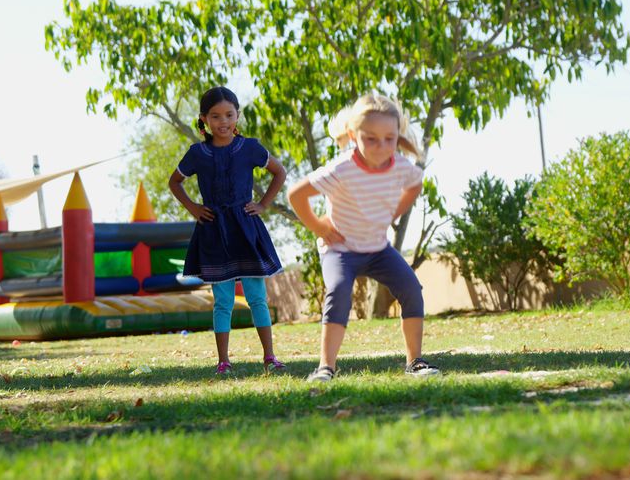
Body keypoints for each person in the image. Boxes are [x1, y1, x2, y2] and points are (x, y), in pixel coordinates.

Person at [287, 93, 440, 382]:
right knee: (339, 292)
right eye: (371, 139)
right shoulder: (342, 169)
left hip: (377, 249)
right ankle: (325, 368)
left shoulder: (401, 167)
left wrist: (393, 213)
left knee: (411, 288)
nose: (381, 147)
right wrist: (320, 228)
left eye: (389, 139)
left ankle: (415, 361)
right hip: (340, 249)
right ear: (352, 135)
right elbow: (296, 195)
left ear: (397, 137)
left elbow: (416, 184)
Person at [168, 86, 287, 375]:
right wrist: (194, 208)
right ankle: (223, 361)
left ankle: (269, 357)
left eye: (229, 115)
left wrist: (263, 204)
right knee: (222, 300)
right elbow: (174, 182)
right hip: (213, 230)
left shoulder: (250, 148)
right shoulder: (197, 153)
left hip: (246, 229)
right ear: (204, 119)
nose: (223, 121)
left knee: (257, 296)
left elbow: (279, 172)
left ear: (238, 116)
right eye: (216, 116)